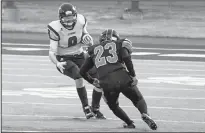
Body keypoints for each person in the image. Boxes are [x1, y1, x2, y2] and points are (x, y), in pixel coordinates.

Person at [80, 29, 158, 129]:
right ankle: (145, 114)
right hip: (122, 76)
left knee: (113, 106)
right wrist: (132, 75)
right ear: (116, 38)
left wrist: (92, 81)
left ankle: (129, 123)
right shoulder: (120, 44)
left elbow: (82, 71)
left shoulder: (93, 49)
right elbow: (126, 57)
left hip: (106, 82)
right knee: (138, 99)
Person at [47, 3, 105, 119]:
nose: (69, 21)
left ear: (75, 16)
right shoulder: (55, 28)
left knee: (99, 77)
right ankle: (86, 108)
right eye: (66, 18)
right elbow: (51, 52)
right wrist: (57, 63)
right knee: (78, 76)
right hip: (63, 58)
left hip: (79, 55)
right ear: (60, 18)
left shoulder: (81, 20)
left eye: (71, 18)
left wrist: (87, 38)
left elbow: (84, 34)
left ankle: (95, 108)